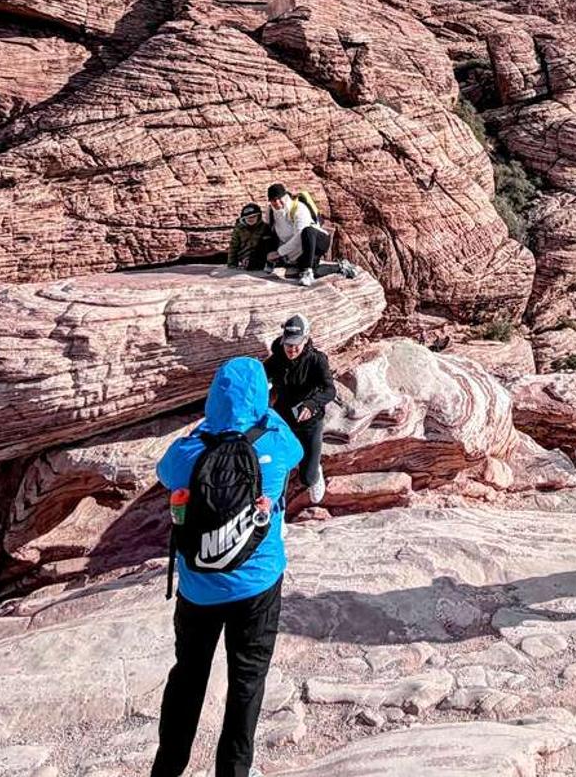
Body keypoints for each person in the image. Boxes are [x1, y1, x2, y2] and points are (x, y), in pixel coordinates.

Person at [151, 358, 302, 777]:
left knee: (188, 676)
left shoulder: (188, 452)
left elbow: (164, 473)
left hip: (199, 588)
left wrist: (211, 425)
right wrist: (262, 412)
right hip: (258, 584)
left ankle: (167, 769)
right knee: (246, 684)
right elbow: (299, 449)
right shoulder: (274, 443)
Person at [263, 315, 332, 507]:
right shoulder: (277, 359)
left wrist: (312, 404)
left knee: (307, 478)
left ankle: (315, 470)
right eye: (288, 345)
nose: (292, 350)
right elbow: (260, 376)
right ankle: (278, 510)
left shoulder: (317, 360)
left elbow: (329, 390)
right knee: (279, 466)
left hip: (310, 421)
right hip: (284, 418)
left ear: (306, 340)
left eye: (296, 345)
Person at [262, 183, 355, 288]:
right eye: (273, 200)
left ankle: (307, 271)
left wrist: (279, 252)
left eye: (279, 199)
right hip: (296, 249)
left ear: (285, 196)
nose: (277, 202)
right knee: (303, 271)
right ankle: (340, 267)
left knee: (307, 231)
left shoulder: (299, 208)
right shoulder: (270, 212)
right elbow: (270, 232)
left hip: (317, 242)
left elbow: (299, 236)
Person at [227, 203, 268, 270]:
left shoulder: (264, 228)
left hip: (259, 256)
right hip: (244, 257)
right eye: (248, 217)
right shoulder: (239, 229)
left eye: (253, 216)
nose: (251, 219)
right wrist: (232, 264)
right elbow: (233, 247)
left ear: (259, 216)